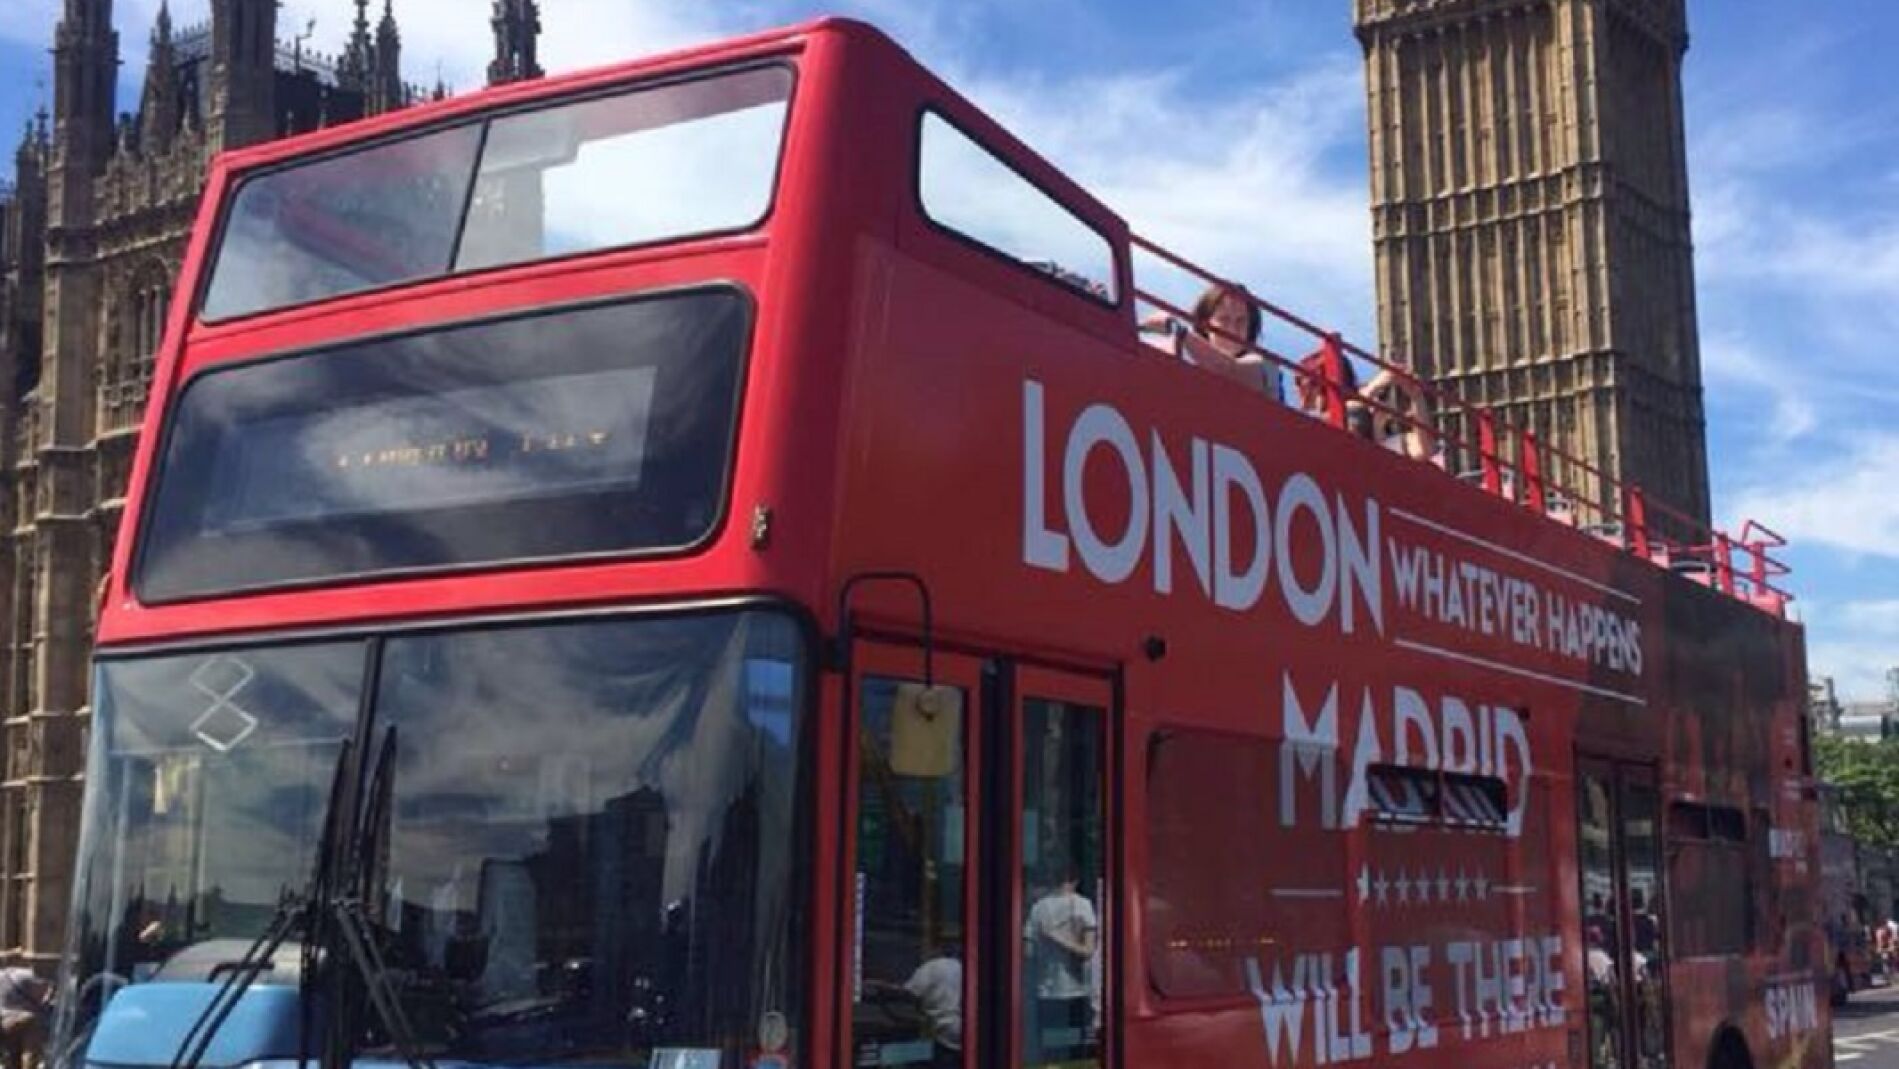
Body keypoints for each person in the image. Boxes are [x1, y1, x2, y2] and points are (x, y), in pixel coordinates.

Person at [1141, 283, 1281, 400]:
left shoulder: (1267, 365)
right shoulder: (1186, 362)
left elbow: (1230, 370)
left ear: (1250, 327)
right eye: (1224, 319)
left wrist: (1176, 329)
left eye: (1241, 321)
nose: (1232, 329)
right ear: (1205, 324)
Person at [1024, 866, 1098, 1063]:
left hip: (1045, 990)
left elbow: (1028, 952)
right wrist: (1057, 937)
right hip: (1077, 990)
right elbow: (1088, 951)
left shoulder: (1038, 908)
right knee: (1076, 1052)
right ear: (1075, 881)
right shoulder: (1082, 905)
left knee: (1051, 1052)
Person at [903, 944, 963, 1069]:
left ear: (938, 950)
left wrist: (882, 987)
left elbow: (911, 993)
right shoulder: (963, 967)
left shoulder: (932, 966)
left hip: (943, 1028)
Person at [0, 968, 50, 1069]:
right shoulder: (26, 975)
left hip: (3, 1022)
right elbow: (42, 994)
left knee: (11, 1056)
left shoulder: (2, 975)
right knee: (30, 1050)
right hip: (23, 1020)